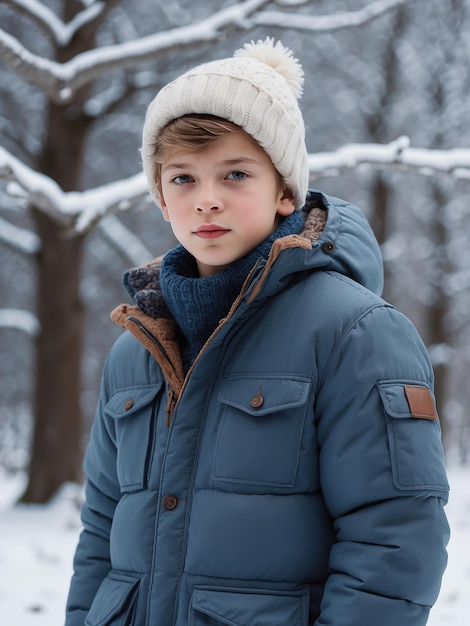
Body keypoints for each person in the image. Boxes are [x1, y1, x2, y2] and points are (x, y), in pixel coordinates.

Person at [65, 38, 449, 626]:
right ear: (162, 200)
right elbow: (101, 533)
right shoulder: (134, 350)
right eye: (183, 179)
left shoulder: (356, 335)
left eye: (236, 174)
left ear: (285, 192)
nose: (207, 200)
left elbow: (395, 539)